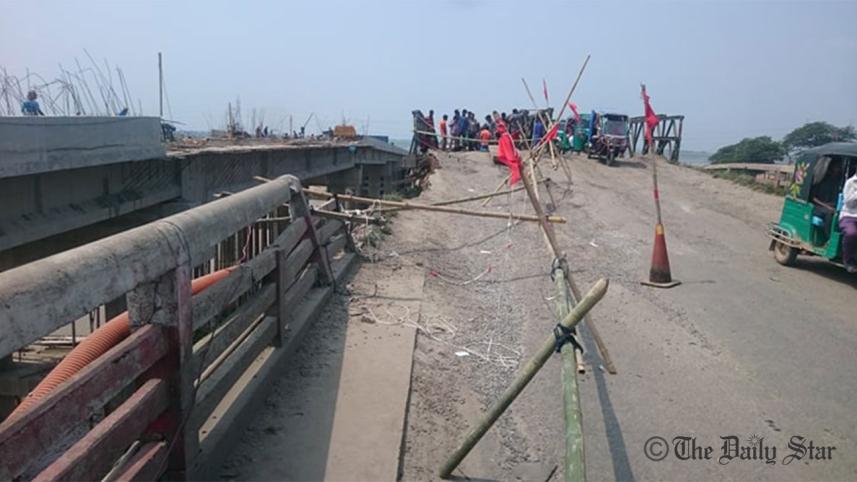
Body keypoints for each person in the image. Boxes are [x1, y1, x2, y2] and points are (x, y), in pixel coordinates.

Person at [839, 168, 857, 273]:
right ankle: (848, 260)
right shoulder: (851, 182)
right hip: (848, 216)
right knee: (852, 233)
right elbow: (848, 202)